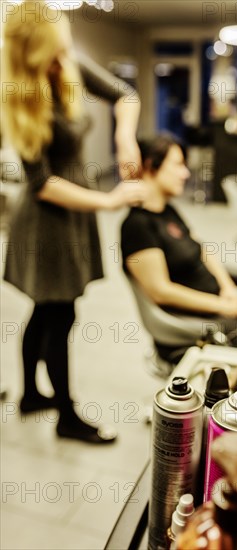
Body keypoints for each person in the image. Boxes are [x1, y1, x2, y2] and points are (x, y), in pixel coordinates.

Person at [1, 2, 147, 443]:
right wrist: (108, 201)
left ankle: (30, 396)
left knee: (45, 309)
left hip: (73, 212)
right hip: (46, 222)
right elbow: (42, 183)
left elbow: (127, 94)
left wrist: (124, 138)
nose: (60, 57)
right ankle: (67, 415)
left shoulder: (67, 64)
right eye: (50, 51)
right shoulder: (17, 94)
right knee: (60, 312)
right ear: (28, 53)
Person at [121, 134, 237, 355]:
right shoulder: (137, 226)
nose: (186, 173)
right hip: (191, 320)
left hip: (216, 303)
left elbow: (202, 249)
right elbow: (161, 291)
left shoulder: (168, 211)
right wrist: (223, 306)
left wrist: (227, 287)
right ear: (151, 166)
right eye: (178, 165)